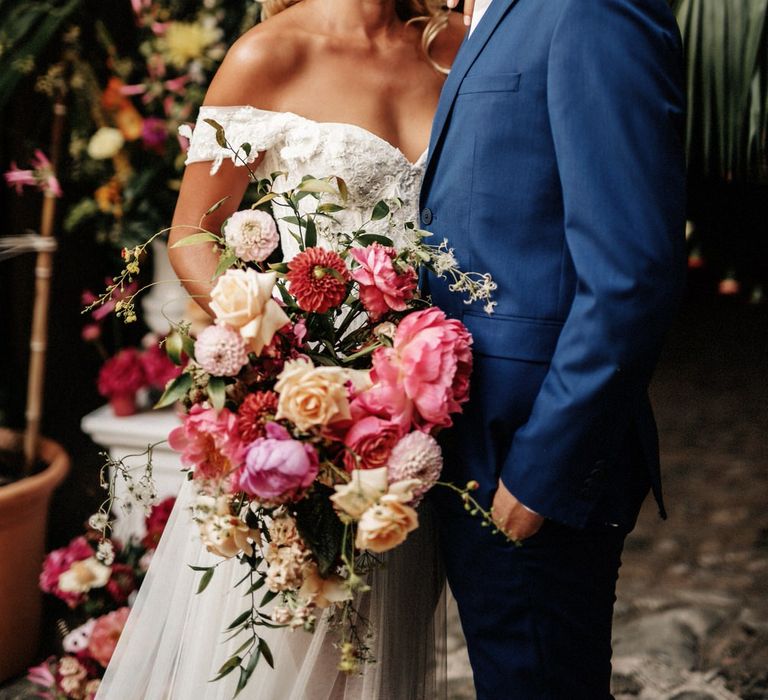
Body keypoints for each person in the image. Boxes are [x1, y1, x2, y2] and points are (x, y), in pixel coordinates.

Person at [96, 1, 465, 698]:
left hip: (412, 416)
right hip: (296, 413)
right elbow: (190, 234)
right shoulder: (267, 56)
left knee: (372, 645)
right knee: (279, 640)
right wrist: (275, 348)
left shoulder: (456, 47)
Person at [421, 0, 686, 697]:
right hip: (471, 443)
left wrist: (543, 471)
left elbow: (630, 275)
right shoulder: (480, 12)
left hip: (530, 449)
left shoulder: (593, 9)